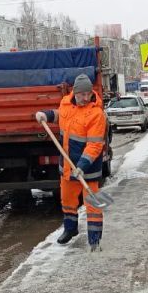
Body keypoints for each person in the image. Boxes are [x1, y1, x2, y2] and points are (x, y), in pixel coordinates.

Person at [36, 73, 106, 251]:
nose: (86, 98)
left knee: (93, 204)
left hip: (88, 167)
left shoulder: (96, 114)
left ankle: (94, 238)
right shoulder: (66, 103)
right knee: (67, 199)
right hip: (67, 165)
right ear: (75, 92)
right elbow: (60, 115)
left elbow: (95, 145)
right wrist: (46, 115)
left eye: (88, 94)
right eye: (82, 94)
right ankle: (70, 229)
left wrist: (82, 166)